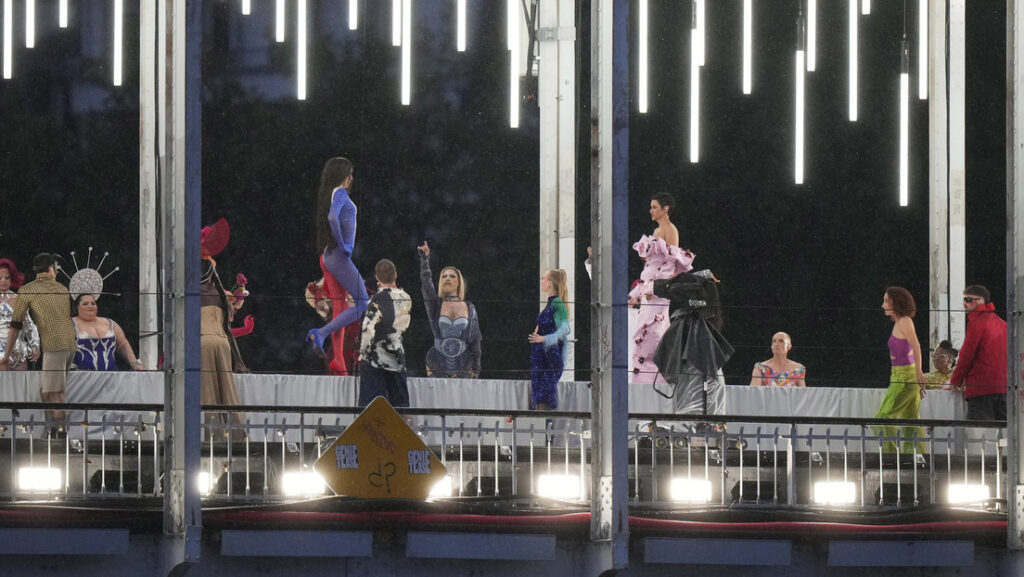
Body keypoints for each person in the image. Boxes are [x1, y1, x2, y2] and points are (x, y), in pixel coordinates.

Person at [1, 253, 76, 435]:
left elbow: (16, 326)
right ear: (51, 269)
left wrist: (7, 354)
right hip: (69, 344)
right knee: (46, 391)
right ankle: (51, 430)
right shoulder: (62, 289)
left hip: (54, 345)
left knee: (55, 393)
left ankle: (61, 435)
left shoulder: (27, 290)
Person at [307, 157, 369, 370]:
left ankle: (338, 359)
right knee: (362, 302)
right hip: (338, 256)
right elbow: (333, 218)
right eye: (349, 174)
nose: (351, 178)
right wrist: (343, 244)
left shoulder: (332, 193)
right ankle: (320, 333)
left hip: (330, 256)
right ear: (342, 175)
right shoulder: (340, 193)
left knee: (341, 307)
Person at [628, 193, 695, 384]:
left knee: (651, 334)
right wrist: (639, 291)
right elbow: (651, 267)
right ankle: (646, 380)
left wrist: (652, 288)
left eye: (654, 207)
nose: (651, 211)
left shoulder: (669, 230)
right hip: (650, 290)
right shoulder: (660, 231)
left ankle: (650, 382)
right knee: (646, 334)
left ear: (666, 209)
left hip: (656, 292)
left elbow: (669, 265)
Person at [200, 219, 248, 441]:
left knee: (209, 393)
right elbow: (227, 330)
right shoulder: (218, 295)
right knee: (227, 393)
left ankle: (213, 437)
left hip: (204, 344)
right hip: (220, 344)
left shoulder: (193, 294)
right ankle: (237, 436)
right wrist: (239, 361)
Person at [874, 287, 927, 454]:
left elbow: (916, 345)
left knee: (884, 417)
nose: (883, 305)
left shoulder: (904, 321)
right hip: (900, 375)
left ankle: (891, 456)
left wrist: (918, 373)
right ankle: (915, 455)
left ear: (896, 303)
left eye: (886, 301)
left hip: (906, 376)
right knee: (911, 419)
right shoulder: (899, 322)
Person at [417, 241, 482, 378]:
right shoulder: (436, 305)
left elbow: (475, 339)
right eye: (444, 276)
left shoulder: (469, 307)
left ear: (459, 281)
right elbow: (426, 286)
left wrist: (476, 366)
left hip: (464, 364)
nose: (448, 278)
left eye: (452, 276)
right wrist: (425, 261)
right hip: (437, 361)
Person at [357, 259, 412, 407]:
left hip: (375, 360)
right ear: (396, 274)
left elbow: (368, 329)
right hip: (397, 357)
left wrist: (363, 353)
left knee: (371, 407)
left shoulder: (376, 300)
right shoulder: (406, 297)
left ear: (377, 277)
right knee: (400, 407)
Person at [949, 285, 1008, 420]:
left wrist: (955, 381)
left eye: (968, 299)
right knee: (1005, 430)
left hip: (981, 387)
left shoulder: (976, 323)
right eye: (964, 299)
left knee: (980, 430)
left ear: (981, 301)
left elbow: (967, 355)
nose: (964, 303)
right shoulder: (1002, 323)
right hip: (1004, 387)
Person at [528, 269, 571, 410]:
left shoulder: (557, 303)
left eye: (543, 278)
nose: (541, 281)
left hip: (550, 359)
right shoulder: (551, 303)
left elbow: (565, 328)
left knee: (543, 396)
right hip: (543, 360)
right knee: (540, 396)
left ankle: (545, 420)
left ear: (550, 284)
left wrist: (545, 338)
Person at [70, 294, 145, 371]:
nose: (90, 306)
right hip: (81, 375)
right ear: (77, 307)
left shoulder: (110, 323)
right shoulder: (70, 324)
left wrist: (135, 363)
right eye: (85, 304)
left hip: (111, 375)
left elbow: (123, 344)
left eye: (93, 303)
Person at [0, 258, 39, 371]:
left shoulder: (19, 299)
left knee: (21, 381)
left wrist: (35, 345)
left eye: (7, 277)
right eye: (0, 278)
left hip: (18, 352)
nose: (3, 281)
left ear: (12, 278)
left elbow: (29, 325)